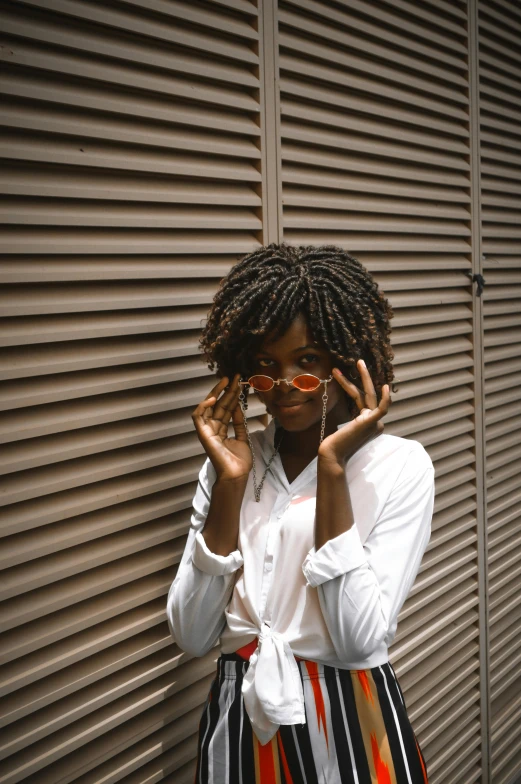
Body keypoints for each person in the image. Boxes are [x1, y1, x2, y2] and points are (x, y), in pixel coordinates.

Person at [167, 243, 435, 783]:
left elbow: (360, 641)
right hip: (242, 716)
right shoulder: (231, 466)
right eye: (264, 367)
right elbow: (192, 635)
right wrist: (231, 484)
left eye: (306, 362)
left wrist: (332, 467)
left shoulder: (399, 466)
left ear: (346, 359)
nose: (283, 386)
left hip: (348, 721)